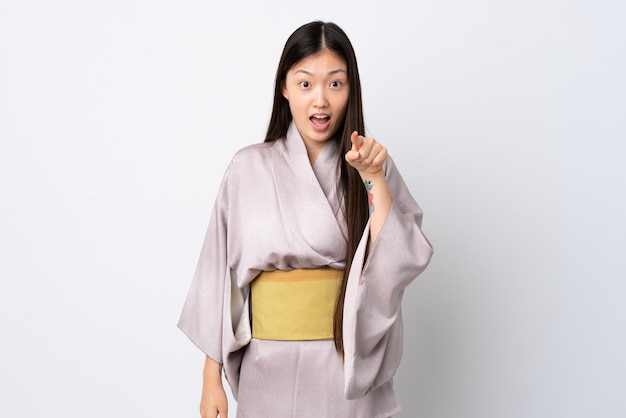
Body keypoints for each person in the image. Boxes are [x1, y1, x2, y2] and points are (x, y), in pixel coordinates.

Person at [178, 21, 433, 418]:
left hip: (344, 364)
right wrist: (211, 380)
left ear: (351, 90)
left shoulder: (372, 165)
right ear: (284, 87)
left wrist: (374, 179)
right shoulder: (248, 168)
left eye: (335, 84)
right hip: (268, 365)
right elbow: (221, 278)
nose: (320, 101)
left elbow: (396, 257)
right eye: (305, 83)